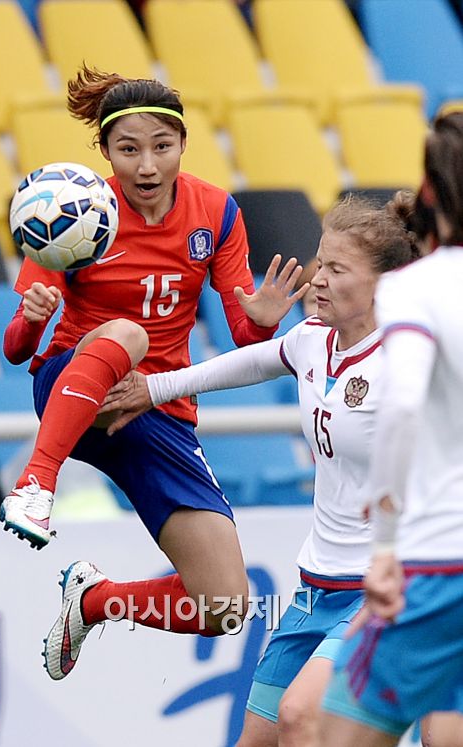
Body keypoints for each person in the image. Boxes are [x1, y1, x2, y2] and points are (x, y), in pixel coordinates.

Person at [0, 64, 307, 678]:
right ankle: (36, 484)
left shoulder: (215, 212)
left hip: (157, 407)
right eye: (128, 149)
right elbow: (14, 347)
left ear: (183, 144)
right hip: (71, 386)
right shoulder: (76, 205)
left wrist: (265, 318)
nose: (146, 166)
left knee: (226, 603)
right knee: (128, 335)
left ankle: (93, 600)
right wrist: (33, 319)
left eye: (161, 147)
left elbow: (244, 333)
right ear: (105, 151)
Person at [96, 193, 420, 747]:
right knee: (257, 738)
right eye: (320, 260)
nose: (317, 279)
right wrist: (154, 388)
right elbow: (246, 363)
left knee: (300, 716)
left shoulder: (407, 362)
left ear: (382, 287)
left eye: (337, 269)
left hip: (383, 590)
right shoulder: (312, 341)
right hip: (316, 587)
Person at [317, 111, 463, 747]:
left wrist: (383, 547)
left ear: (429, 193)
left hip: (440, 563)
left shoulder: (414, 288)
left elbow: (401, 406)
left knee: (335, 735)